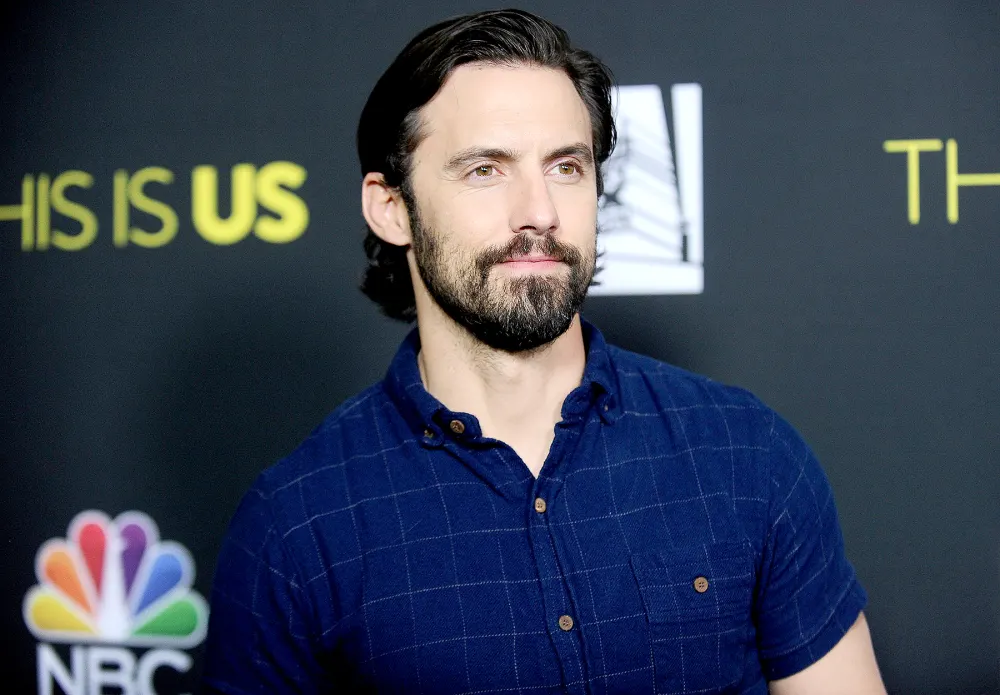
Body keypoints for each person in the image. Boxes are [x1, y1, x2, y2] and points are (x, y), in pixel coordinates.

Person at [201, 9, 886, 694]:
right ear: (391, 208)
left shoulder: (748, 455)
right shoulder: (297, 527)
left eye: (565, 166)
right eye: (484, 170)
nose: (540, 211)